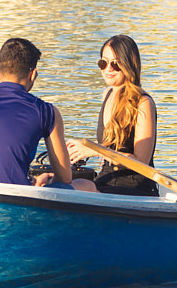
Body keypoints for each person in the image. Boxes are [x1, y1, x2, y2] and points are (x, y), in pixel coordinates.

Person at [0, 38, 75, 187]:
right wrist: (47, 181)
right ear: (33, 74)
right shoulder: (46, 111)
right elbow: (64, 177)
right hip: (12, 199)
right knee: (87, 186)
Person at [64, 35, 159, 195]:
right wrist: (81, 148)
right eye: (103, 63)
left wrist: (93, 150)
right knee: (60, 182)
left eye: (115, 64)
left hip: (133, 188)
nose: (108, 69)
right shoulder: (107, 94)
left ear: (128, 64)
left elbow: (141, 162)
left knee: (79, 188)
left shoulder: (143, 103)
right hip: (105, 180)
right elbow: (112, 145)